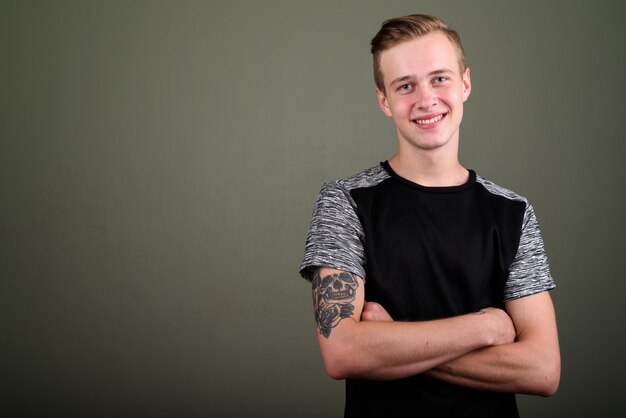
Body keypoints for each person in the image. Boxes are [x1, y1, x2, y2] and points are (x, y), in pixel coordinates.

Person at [299, 14, 560, 418]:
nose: (425, 99)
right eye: (405, 86)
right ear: (384, 100)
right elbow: (343, 352)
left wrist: (389, 344)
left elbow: (543, 370)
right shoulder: (346, 202)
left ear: (465, 83)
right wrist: (484, 329)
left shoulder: (513, 212)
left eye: (440, 78)